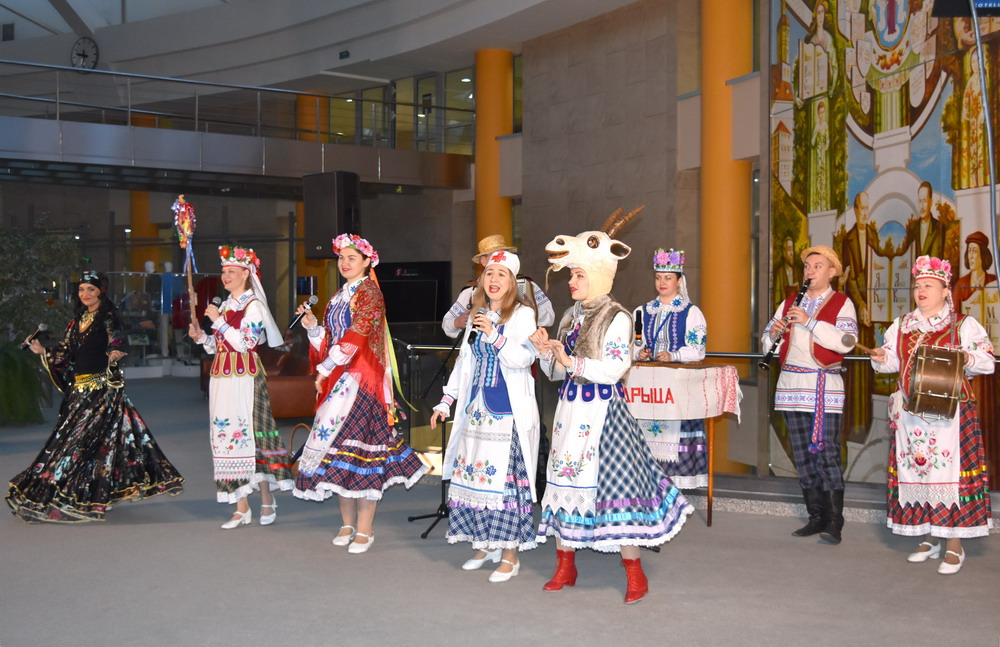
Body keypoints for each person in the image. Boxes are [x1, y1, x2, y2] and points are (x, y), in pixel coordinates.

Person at [529, 207, 693, 604]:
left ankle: (634, 574)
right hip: (571, 411)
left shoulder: (616, 316)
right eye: (572, 274)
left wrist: (573, 362)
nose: (572, 281)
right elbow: (557, 373)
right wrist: (546, 352)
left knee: (618, 490)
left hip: (605, 414)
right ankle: (565, 565)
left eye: (579, 274)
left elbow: (618, 365)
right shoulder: (570, 316)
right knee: (565, 483)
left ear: (599, 275)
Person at [7, 271, 184, 522]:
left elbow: (117, 338)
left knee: (79, 444)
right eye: (81, 290)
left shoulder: (108, 317)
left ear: (101, 291)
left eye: (91, 289)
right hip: (79, 392)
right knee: (89, 444)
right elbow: (65, 353)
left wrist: (114, 351)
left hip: (102, 393)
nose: (86, 294)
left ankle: (66, 497)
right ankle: (96, 493)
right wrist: (42, 350)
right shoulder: (76, 321)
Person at [294, 233, 428, 553]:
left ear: (368, 261)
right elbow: (330, 340)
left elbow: (357, 336)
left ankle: (365, 529)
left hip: (363, 379)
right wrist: (313, 327)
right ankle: (347, 523)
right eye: (341, 257)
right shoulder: (339, 296)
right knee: (340, 451)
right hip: (340, 380)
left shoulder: (371, 293)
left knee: (364, 452)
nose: (344, 263)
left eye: (352, 258)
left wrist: (326, 366)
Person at [869, 256, 994, 575]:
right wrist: (881, 357)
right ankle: (928, 536)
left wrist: (964, 356)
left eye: (928, 285)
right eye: (917, 285)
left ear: (944, 290)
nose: (920, 290)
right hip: (912, 416)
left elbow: (987, 362)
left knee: (945, 477)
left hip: (951, 414)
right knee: (919, 474)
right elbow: (891, 364)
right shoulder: (902, 325)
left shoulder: (963, 324)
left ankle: (954, 545)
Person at [430, 250, 540, 583]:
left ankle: (510, 554)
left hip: (507, 413)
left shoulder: (523, 314)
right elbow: (465, 362)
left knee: (504, 483)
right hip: (476, 410)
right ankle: (485, 543)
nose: (493, 280)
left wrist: (494, 334)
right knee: (476, 478)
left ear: (512, 283)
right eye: (489, 274)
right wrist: (445, 402)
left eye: (501, 275)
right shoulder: (477, 313)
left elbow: (522, 359)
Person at [189, 246, 294, 529]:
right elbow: (219, 346)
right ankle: (241, 506)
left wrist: (218, 322)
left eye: (231, 272)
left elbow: (246, 344)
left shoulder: (254, 306)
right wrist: (202, 338)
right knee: (226, 437)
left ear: (246, 274)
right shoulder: (224, 306)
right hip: (222, 379)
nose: (225, 276)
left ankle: (267, 499)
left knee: (252, 437)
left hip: (246, 380)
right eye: (224, 272)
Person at [762, 245, 857, 544]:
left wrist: (810, 321)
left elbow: (846, 343)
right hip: (791, 388)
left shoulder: (843, 303)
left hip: (823, 388)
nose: (810, 271)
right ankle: (816, 517)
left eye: (818, 266)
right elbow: (766, 344)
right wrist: (774, 333)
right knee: (802, 457)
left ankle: (834, 521)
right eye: (807, 266)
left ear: (831, 272)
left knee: (827, 455)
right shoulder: (789, 302)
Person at [632, 248, 709, 488]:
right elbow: (631, 345)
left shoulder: (691, 313)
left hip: (677, 389)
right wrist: (640, 352)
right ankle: (651, 490)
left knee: (674, 440)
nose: (662, 282)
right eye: (658, 277)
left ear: (679, 280)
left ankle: (674, 493)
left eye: (668, 278)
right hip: (649, 390)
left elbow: (698, 350)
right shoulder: (642, 311)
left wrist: (673, 354)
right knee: (647, 437)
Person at [442, 234, 554, 338]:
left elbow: (550, 317)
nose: (500, 257)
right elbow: (446, 323)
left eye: (503, 253)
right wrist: (456, 323)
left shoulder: (528, 286)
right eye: (494, 255)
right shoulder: (470, 292)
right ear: (483, 260)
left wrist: (532, 310)